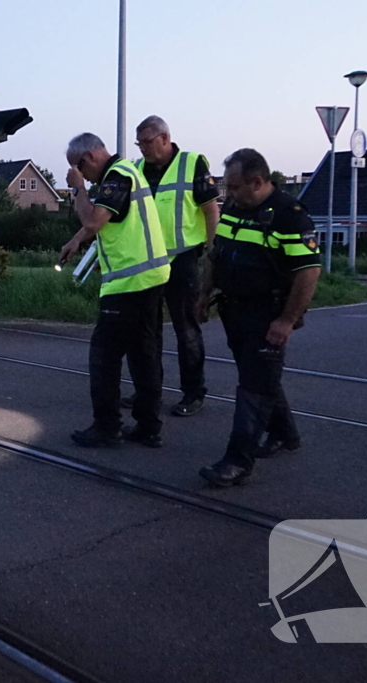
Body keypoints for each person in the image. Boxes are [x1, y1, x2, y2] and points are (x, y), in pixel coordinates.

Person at [196, 149, 321, 487]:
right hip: (235, 310)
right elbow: (216, 254)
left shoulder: (289, 216)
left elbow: (308, 272)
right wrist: (204, 294)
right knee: (259, 378)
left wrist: (286, 320)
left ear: (259, 181)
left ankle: (237, 461)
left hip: (269, 314)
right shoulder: (237, 207)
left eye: (234, 187)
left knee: (253, 387)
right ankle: (285, 434)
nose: (229, 195)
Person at [59, 133, 171, 448]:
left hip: (128, 284)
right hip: (149, 277)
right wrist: (77, 240)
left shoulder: (116, 176)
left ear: (89, 157)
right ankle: (149, 426)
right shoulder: (127, 173)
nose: (80, 174)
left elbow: (95, 220)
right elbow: (105, 221)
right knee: (142, 356)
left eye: (78, 167)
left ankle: (107, 426)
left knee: (104, 357)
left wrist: (78, 189)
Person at [122, 116, 221, 417]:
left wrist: (210, 250)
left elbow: (210, 210)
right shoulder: (136, 170)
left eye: (148, 143)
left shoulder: (192, 164)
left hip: (183, 260)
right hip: (148, 263)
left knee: (186, 329)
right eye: (139, 145)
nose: (143, 150)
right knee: (146, 331)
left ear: (165, 138)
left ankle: (193, 393)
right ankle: (148, 391)